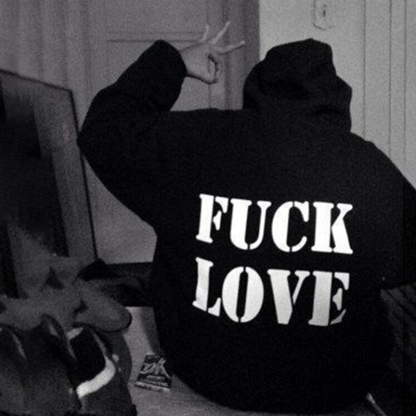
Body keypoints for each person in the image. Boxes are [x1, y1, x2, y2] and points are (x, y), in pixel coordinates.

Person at [78, 23, 416, 413]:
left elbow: (102, 128)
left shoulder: (193, 142)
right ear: (336, 100)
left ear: (257, 89)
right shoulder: (368, 168)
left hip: (205, 371)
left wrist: (173, 63)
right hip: (334, 386)